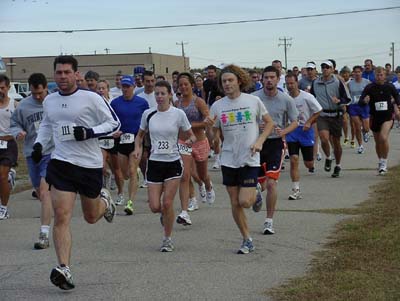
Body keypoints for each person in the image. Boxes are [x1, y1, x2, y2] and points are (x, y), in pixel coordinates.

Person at [33, 55, 120, 290]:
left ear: (75, 74)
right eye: (58, 72)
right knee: (61, 216)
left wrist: (89, 132)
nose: (62, 76)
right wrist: (40, 145)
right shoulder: (50, 101)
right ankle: (64, 268)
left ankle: (105, 202)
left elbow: (114, 124)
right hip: (61, 163)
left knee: (91, 217)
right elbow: (47, 126)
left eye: (66, 72)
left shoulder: (91, 98)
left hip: (89, 165)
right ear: (54, 74)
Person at [210, 64, 273, 254]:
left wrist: (260, 140)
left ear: (239, 81)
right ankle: (247, 239)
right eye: (224, 82)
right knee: (235, 202)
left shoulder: (253, 101)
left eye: (230, 80)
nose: (227, 84)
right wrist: (208, 128)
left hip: (249, 156)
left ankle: (255, 191)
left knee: (245, 201)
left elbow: (269, 123)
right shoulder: (217, 106)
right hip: (229, 158)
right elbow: (213, 137)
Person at [133, 80, 196, 252]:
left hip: (173, 163)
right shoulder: (148, 114)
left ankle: (167, 239)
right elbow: (139, 136)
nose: (160, 97)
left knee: (167, 203)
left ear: (170, 95)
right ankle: (165, 215)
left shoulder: (178, 114)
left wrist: (188, 142)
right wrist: (137, 148)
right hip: (154, 163)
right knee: (155, 206)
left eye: (163, 93)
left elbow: (191, 136)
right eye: (157, 94)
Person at [252, 66, 298, 235]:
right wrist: (257, 124)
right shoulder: (254, 98)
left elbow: (295, 121)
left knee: (272, 183)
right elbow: (246, 120)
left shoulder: (286, 99)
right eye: (266, 77)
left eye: (272, 77)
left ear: (279, 79)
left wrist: (284, 131)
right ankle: (256, 191)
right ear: (262, 80)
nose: (269, 80)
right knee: (255, 184)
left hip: (275, 144)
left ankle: (269, 221)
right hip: (256, 143)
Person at [10, 73, 54, 249]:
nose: (37, 96)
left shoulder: (53, 102)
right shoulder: (23, 106)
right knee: (40, 191)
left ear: (46, 88)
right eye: (34, 93)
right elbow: (14, 124)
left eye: (40, 93)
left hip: (51, 152)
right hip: (31, 154)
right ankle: (52, 209)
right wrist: (18, 132)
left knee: (44, 192)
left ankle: (43, 235)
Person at [175, 72, 216, 225]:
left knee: (202, 173)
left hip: (199, 141)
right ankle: (190, 202)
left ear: (192, 85)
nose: (183, 87)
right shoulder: (177, 103)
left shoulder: (198, 101)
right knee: (185, 174)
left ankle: (207, 185)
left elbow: (207, 121)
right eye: (181, 85)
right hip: (183, 142)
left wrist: (191, 125)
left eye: (186, 84)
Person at [111, 75, 149, 215]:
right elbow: (112, 121)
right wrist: (115, 131)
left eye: (128, 86)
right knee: (125, 174)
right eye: (123, 86)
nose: (125, 89)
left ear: (134, 87)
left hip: (136, 140)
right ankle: (137, 173)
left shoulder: (142, 103)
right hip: (121, 141)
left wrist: (143, 135)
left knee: (132, 171)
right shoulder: (115, 103)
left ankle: (130, 202)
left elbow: (146, 121)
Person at [310, 60, 351, 178]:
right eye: (323, 67)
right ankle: (328, 157)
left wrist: (339, 101)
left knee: (337, 143)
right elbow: (312, 98)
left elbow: (348, 99)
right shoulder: (315, 83)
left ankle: (338, 165)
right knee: (323, 138)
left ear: (332, 69)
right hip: (322, 115)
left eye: (327, 67)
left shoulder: (338, 82)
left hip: (336, 114)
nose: (325, 69)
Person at [285, 73, 322, 200]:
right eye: (287, 83)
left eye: (292, 83)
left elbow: (318, 111)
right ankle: (296, 190)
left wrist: (309, 122)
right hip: (292, 131)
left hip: (306, 131)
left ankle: (312, 164)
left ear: (297, 83)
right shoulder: (285, 98)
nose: (290, 86)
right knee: (294, 160)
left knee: (308, 163)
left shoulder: (307, 97)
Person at [358, 66, 400, 175]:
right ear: (374, 76)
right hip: (375, 117)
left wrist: (396, 104)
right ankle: (381, 161)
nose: (379, 77)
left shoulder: (389, 86)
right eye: (377, 75)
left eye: (381, 75)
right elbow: (360, 102)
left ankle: (384, 163)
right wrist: (365, 101)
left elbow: (397, 98)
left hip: (387, 117)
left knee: (383, 137)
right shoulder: (369, 87)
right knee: (378, 142)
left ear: (385, 75)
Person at [97, 80, 124, 203]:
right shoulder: (95, 102)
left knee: (117, 168)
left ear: (108, 89)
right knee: (101, 166)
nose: (101, 90)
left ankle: (121, 193)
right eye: (99, 88)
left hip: (113, 137)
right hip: (102, 137)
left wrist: (119, 131)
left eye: (103, 88)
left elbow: (118, 119)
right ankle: (104, 189)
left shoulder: (113, 103)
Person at [0, 74, 18, 220]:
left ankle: (3, 208)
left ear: (8, 88)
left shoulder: (15, 104)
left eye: (2, 88)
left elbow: (22, 122)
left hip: (9, 144)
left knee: (1, 175)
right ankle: (10, 176)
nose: (0, 90)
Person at [137, 70, 157, 188]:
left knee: (154, 156)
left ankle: (154, 177)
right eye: (147, 81)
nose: (150, 83)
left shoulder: (159, 95)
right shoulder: (139, 97)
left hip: (158, 131)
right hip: (144, 131)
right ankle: (145, 176)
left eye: (152, 81)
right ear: (143, 82)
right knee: (143, 157)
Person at [347, 65, 371, 154]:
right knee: (357, 126)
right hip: (354, 106)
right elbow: (347, 95)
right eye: (355, 72)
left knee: (366, 127)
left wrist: (368, 98)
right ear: (353, 73)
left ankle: (365, 132)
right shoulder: (349, 84)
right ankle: (360, 146)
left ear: (362, 72)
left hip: (364, 106)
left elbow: (371, 93)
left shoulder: (367, 82)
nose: (357, 74)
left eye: (359, 72)